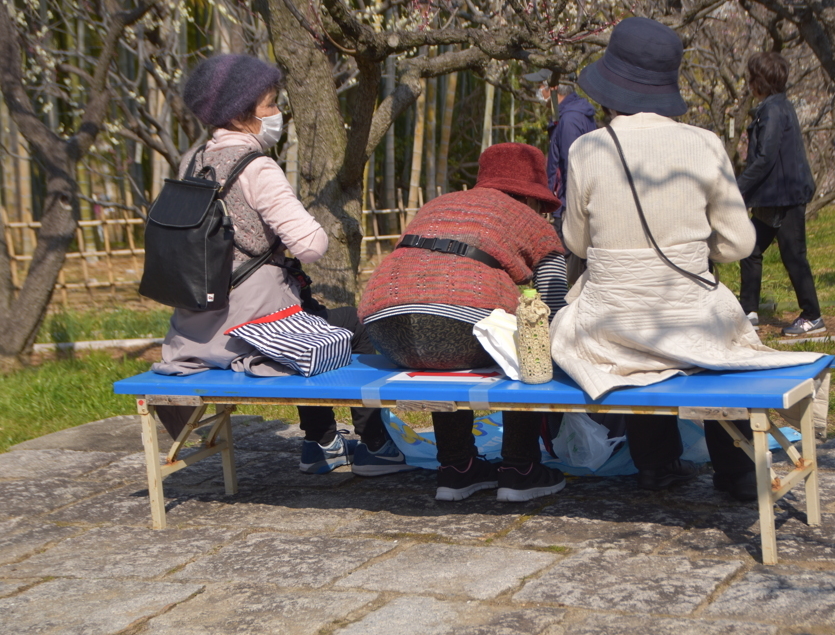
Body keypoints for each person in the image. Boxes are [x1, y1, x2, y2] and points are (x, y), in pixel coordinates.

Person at [550, 17, 825, 500]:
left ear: (610, 85)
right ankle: (738, 473)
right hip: (688, 313)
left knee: (629, 353)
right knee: (718, 353)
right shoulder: (703, 144)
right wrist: (695, 250)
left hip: (611, 323)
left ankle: (655, 467)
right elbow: (739, 244)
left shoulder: (588, 148)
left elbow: (575, 241)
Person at [152, 54, 414, 478]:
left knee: (312, 317)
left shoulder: (192, 161)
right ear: (241, 115)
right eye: (271, 105)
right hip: (255, 330)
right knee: (356, 328)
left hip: (197, 328)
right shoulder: (257, 168)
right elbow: (310, 245)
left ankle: (322, 443)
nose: (277, 114)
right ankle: (375, 445)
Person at [358, 143, 569, 503]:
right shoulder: (529, 220)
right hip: (456, 323)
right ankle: (521, 470)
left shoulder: (439, 203)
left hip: (383, 324)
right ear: (531, 197)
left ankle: (457, 468)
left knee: (447, 352)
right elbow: (554, 301)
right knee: (529, 344)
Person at [736, 52, 824, 337]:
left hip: (785, 197)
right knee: (750, 248)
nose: (749, 84)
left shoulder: (773, 111)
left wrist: (737, 187)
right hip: (773, 197)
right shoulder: (774, 107)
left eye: (751, 79)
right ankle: (747, 311)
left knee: (793, 256)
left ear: (759, 83)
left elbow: (765, 158)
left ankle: (812, 316)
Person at [522, 69, 597, 245]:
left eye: (541, 86)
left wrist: (565, 210)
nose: (539, 91)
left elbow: (571, 168)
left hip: (568, 208)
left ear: (553, 88)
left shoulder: (569, 120)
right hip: (569, 206)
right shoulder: (572, 115)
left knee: (564, 267)